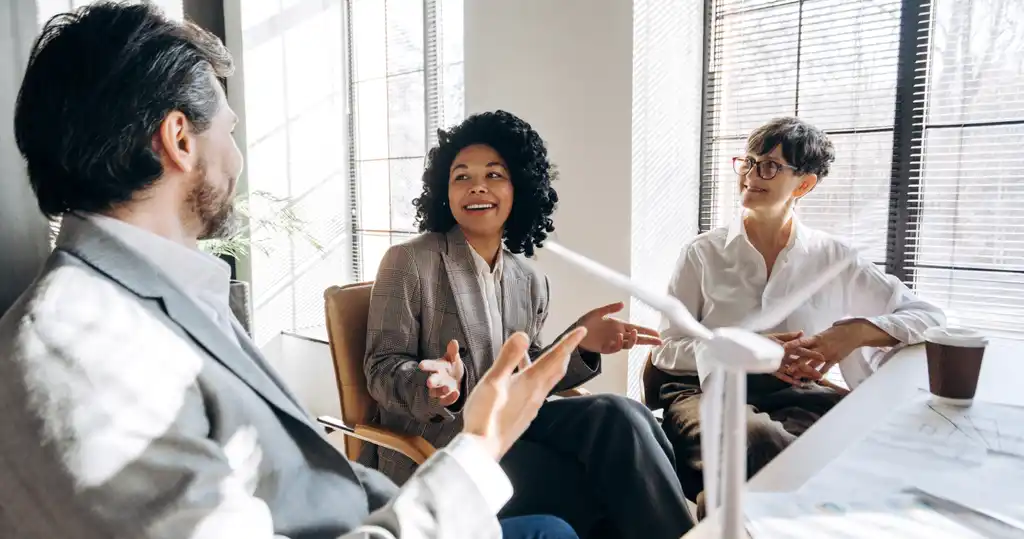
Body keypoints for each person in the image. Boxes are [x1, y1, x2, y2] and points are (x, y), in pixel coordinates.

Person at [0, 3, 583, 538]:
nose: (237, 155)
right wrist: (480, 446)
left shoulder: (171, 296)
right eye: (229, 130)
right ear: (179, 140)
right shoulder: (79, 350)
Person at [363, 110, 696, 539]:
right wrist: (432, 384)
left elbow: (528, 370)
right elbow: (381, 367)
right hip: (445, 441)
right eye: (461, 176)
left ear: (520, 188)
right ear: (444, 192)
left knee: (623, 413)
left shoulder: (529, 278)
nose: (477, 186)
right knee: (602, 486)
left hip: (514, 426)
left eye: (494, 175)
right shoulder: (410, 261)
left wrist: (582, 345)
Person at [651, 116, 945, 509]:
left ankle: (719, 511)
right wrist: (747, 349)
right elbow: (665, 349)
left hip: (797, 395)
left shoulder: (834, 258)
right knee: (758, 440)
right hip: (704, 390)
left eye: (770, 166)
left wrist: (855, 333)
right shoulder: (702, 253)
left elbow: (930, 316)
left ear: (804, 184)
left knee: (873, 442)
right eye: (750, 162)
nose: (752, 175)